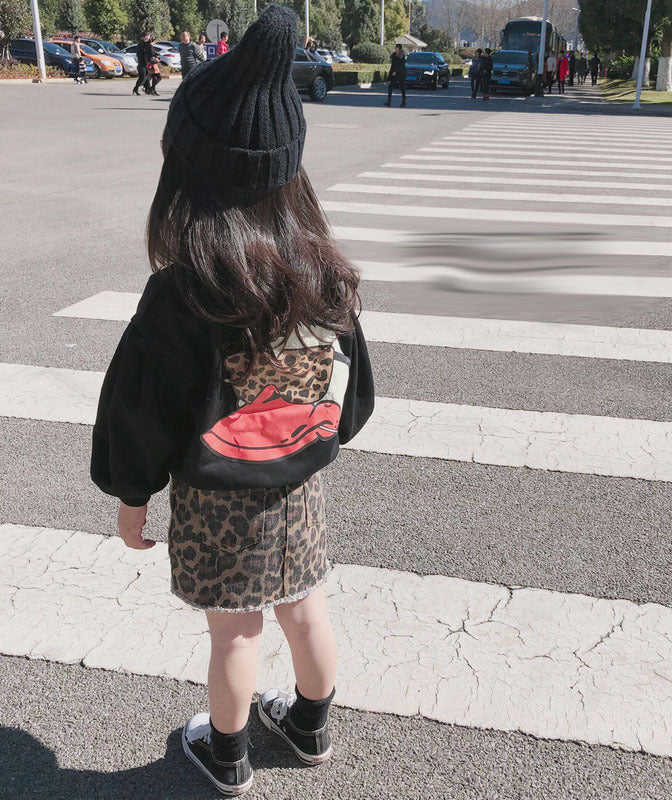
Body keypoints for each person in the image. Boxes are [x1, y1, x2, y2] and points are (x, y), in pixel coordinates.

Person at [90, 5, 374, 797]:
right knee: (307, 611)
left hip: (220, 500)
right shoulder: (326, 276)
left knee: (235, 636)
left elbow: (140, 413)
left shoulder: (183, 291)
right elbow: (352, 392)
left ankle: (227, 752)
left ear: (185, 169)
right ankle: (311, 726)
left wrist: (131, 497)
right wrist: (316, 439)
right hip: (300, 484)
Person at [384, 43, 406, 107]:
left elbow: (401, 66)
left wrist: (396, 71)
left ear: (400, 49)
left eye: (397, 48)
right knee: (390, 87)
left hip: (400, 73)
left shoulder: (402, 56)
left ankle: (403, 102)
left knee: (402, 88)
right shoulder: (394, 55)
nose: (396, 49)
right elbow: (392, 61)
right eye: (396, 48)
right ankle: (388, 101)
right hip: (393, 73)